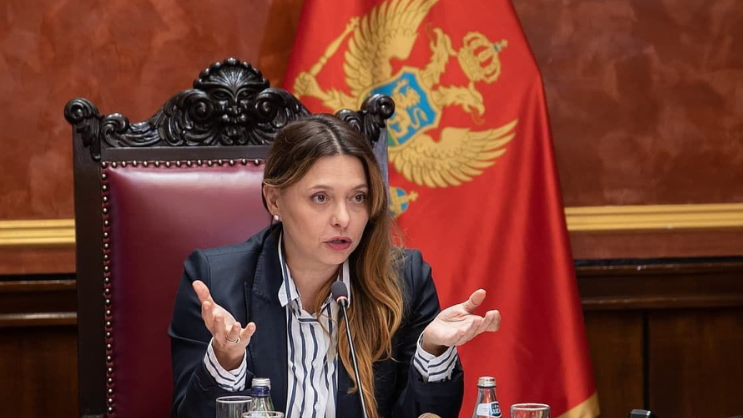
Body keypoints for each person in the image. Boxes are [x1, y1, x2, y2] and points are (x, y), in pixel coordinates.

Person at [168, 114, 501, 418]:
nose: (343, 218)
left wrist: (433, 349)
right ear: (274, 199)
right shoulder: (215, 283)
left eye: (357, 198)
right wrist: (226, 359)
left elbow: (425, 414)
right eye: (320, 198)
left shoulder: (404, 279)